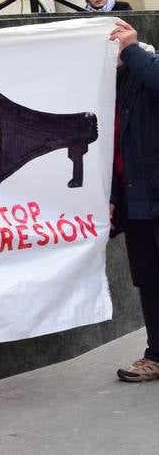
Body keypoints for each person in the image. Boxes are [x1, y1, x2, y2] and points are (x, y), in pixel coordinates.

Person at [110, 19, 159, 382]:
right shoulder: (118, 84)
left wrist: (133, 49)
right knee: (150, 280)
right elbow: (116, 148)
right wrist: (113, 197)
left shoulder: (146, 68)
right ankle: (156, 354)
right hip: (137, 200)